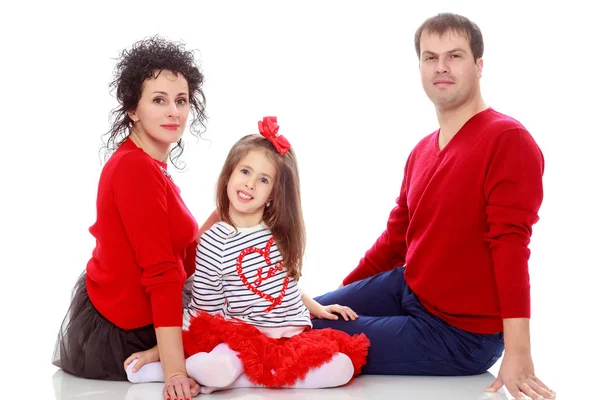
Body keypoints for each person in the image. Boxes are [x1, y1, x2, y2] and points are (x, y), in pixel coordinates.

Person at [311, 13, 556, 400]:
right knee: (297, 313)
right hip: (410, 288)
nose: (441, 67)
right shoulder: (422, 150)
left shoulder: (508, 140)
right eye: (430, 57)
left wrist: (519, 352)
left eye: (454, 56)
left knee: (308, 334)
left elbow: (511, 248)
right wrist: (342, 296)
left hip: (459, 334)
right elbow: (395, 241)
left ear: (478, 65)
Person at [124, 117, 370, 394]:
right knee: (219, 366)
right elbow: (200, 312)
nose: (250, 184)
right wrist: (159, 352)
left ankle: (244, 379)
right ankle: (181, 371)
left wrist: (317, 307)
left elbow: (279, 284)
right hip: (240, 340)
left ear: (273, 195)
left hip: (288, 340)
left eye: (263, 179)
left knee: (343, 368)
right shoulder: (214, 241)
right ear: (229, 175)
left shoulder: (278, 233)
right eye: (245, 172)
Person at [52, 35, 219, 400]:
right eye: (159, 100)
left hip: (148, 309)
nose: (173, 112)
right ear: (133, 109)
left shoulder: (151, 166)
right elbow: (161, 273)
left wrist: (224, 211)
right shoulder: (134, 170)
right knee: (250, 321)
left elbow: (183, 253)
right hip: (125, 329)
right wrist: (175, 372)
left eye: (181, 101)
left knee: (253, 297)